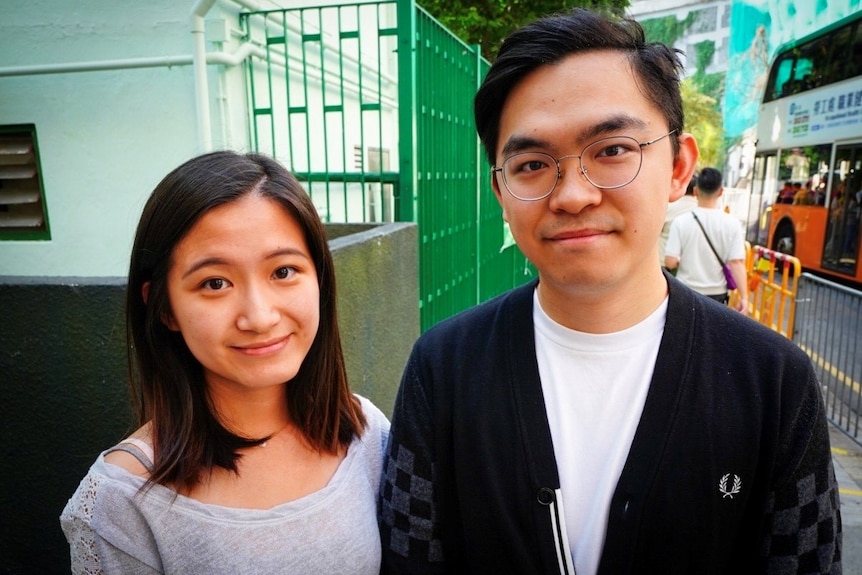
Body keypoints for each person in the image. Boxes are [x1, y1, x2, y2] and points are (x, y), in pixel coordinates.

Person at [379, 8, 841, 575]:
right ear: (501, 190)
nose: (572, 194)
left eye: (612, 150)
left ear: (679, 168)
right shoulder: (443, 368)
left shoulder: (772, 382)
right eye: (531, 163)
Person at [60, 151, 389, 574]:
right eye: (215, 283)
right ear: (164, 308)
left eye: (284, 271)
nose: (259, 316)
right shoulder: (121, 504)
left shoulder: (364, 432)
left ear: (320, 280)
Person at [664, 166, 748, 311]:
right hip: (717, 296)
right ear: (721, 192)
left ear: (696, 191)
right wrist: (744, 297)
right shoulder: (732, 223)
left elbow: (670, 262)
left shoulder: (681, 221)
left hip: (686, 292)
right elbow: (737, 263)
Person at [658, 173, 697, 267]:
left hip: (663, 261)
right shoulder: (699, 210)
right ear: (696, 190)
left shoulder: (668, 207)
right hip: (689, 264)